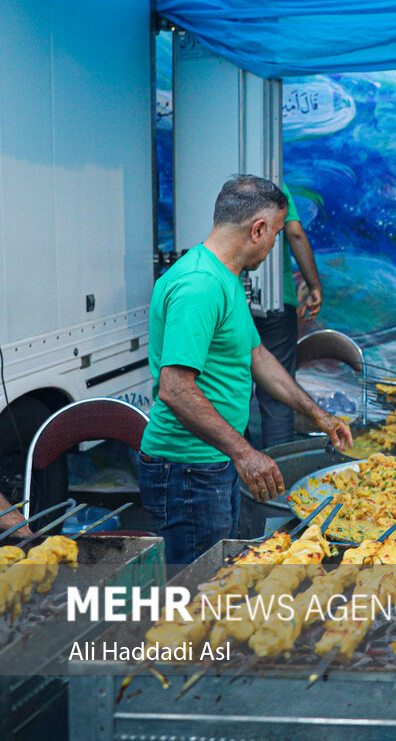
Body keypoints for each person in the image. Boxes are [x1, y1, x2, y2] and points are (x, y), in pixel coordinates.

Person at [139, 175, 352, 573]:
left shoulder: (226, 277)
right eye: (275, 235)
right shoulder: (200, 284)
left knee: (221, 580)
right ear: (258, 229)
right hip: (189, 470)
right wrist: (245, 453)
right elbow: (174, 388)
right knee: (197, 593)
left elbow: (258, 356)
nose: (275, 246)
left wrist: (318, 415)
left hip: (213, 461)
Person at [252, 181, 324, 447]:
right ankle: (278, 471)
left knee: (230, 385)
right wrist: (313, 285)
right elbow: (295, 233)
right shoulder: (274, 182)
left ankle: (237, 473)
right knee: (277, 394)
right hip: (274, 298)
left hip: (235, 301)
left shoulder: (211, 180)